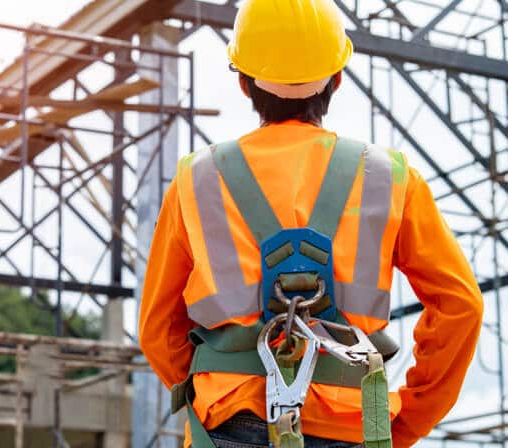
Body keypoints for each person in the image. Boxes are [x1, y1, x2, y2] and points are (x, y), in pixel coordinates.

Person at [137, 0, 483, 447]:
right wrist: (410, 415)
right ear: (337, 79)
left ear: (244, 84)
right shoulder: (391, 177)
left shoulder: (195, 179)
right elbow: (461, 305)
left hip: (229, 417)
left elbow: (157, 327)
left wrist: (216, 381)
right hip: (352, 420)